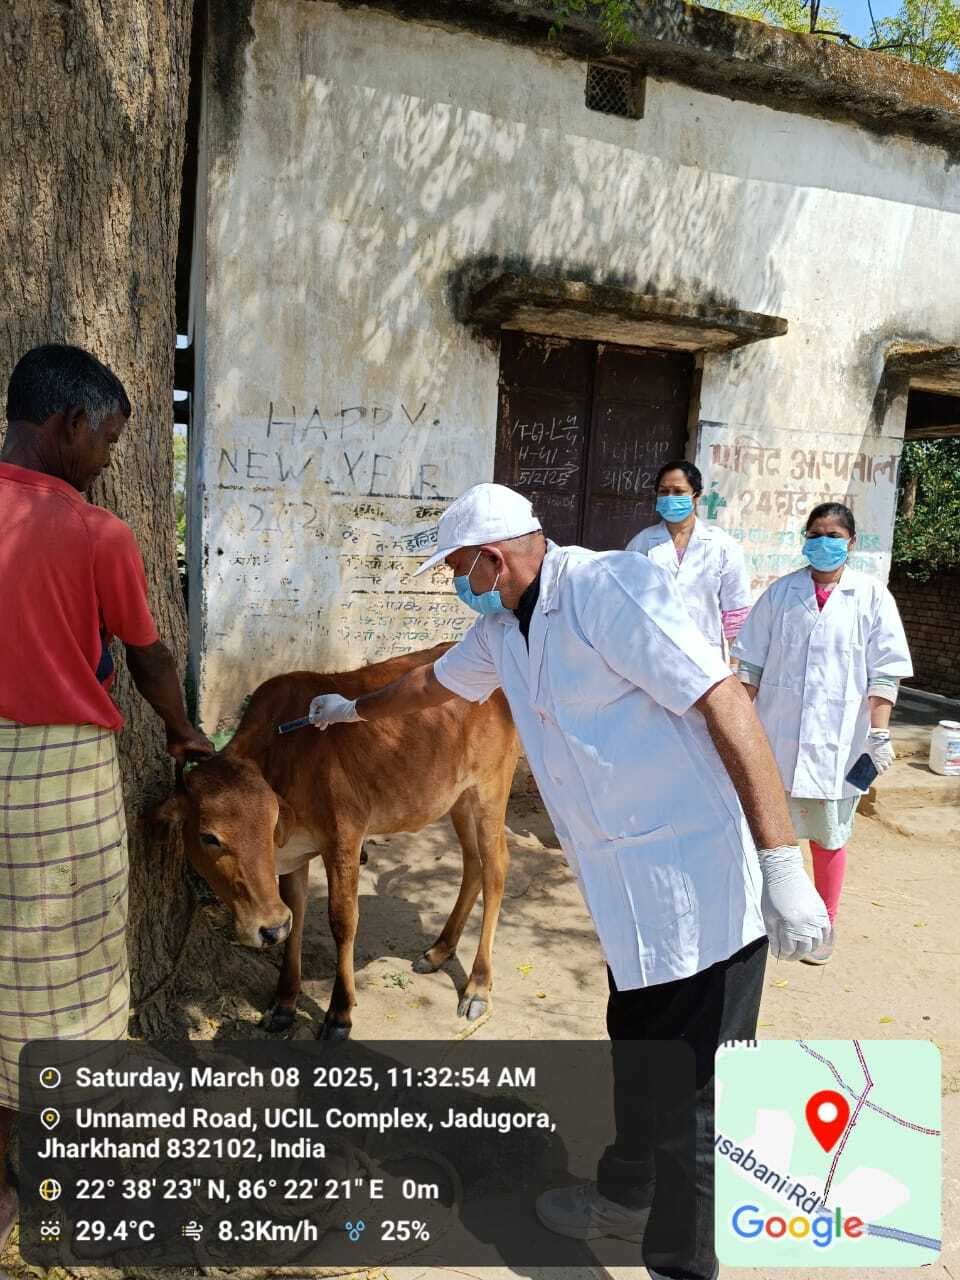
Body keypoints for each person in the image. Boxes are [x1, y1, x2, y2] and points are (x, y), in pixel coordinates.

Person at [306, 481, 828, 1280]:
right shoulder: (502, 631)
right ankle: (624, 1200)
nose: (458, 582)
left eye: (458, 567)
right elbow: (431, 688)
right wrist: (354, 709)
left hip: (702, 886)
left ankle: (680, 1266)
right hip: (629, 904)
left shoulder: (608, 590)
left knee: (699, 1110)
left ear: (491, 557)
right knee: (637, 1054)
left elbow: (724, 700)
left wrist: (783, 860)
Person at [0, 344, 214, 1249]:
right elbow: (149, 656)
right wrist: (183, 729)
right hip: (59, 775)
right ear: (64, 424)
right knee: (67, 966)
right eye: (108, 439)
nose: (109, 459)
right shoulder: (98, 535)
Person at [732, 502, 912, 965]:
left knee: (829, 836)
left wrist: (879, 734)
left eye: (833, 535)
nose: (823, 543)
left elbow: (885, 673)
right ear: (804, 539)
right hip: (777, 738)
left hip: (841, 744)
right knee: (772, 833)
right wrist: (736, 725)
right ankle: (769, 918)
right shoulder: (780, 594)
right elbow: (749, 666)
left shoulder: (872, 597)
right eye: (815, 533)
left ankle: (822, 926)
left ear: (851, 542)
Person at [627, 460, 751, 659]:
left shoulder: (722, 545)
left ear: (696, 496)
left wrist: (737, 667)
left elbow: (736, 612)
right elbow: (625, 603)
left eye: (678, 492)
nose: (670, 497)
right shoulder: (641, 544)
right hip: (651, 654)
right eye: (663, 491)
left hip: (704, 655)